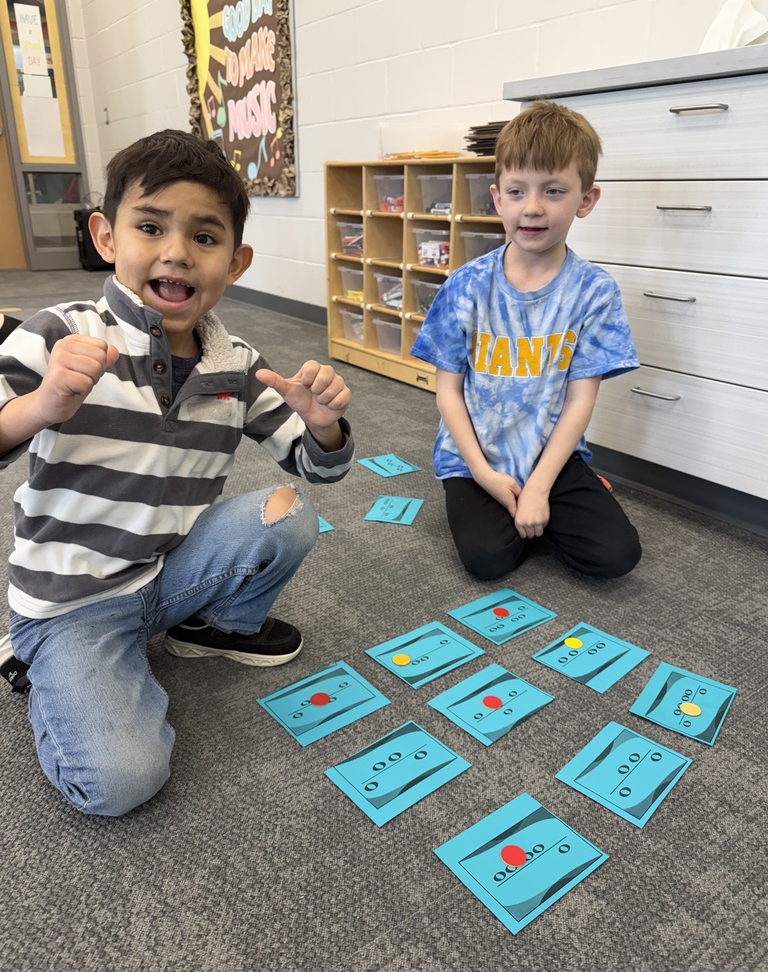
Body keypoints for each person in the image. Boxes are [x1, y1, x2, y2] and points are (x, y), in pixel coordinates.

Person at [0, 129, 354, 816]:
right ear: (105, 237)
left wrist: (323, 424)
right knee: (123, 780)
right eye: (150, 227)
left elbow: (316, 469)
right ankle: (38, 661)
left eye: (204, 236)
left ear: (236, 261)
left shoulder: (238, 364)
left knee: (288, 511)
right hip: (73, 605)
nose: (175, 252)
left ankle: (208, 625)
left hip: (164, 575)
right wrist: (41, 405)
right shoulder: (59, 331)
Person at [411, 100, 641, 582]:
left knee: (616, 557)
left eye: (554, 191)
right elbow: (448, 390)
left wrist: (538, 488)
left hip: (552, 456)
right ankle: (520, 512)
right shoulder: (466, 286)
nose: (532, 207)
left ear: (586, 200)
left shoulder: (594, 291)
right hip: (474, 457)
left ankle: (546, 506)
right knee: (489, 560)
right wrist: (483, 474)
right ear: (498, 199)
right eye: (517, 191)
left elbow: (581, 399)